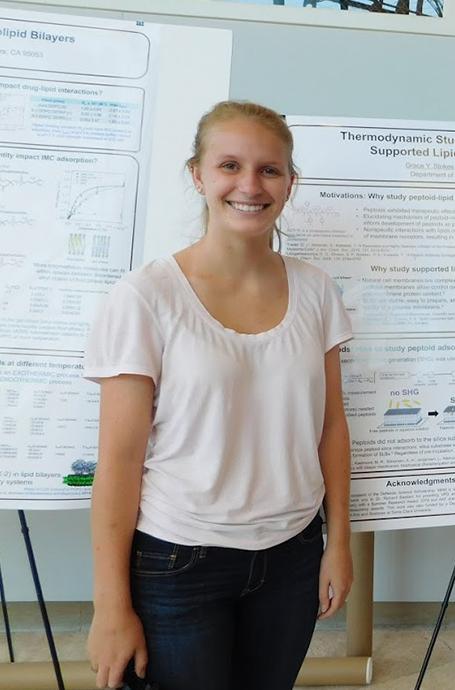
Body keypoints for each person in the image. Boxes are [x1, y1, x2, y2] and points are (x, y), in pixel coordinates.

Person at [83, 101, 354, 690]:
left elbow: (331, 427)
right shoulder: (145, 298)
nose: (250, 186)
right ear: (198, 175)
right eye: (230, 165)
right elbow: (120, 464)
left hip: (294, 552)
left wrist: (338, 544)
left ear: (290, 183)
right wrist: (110, 606)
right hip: (179, 560)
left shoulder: (316, 289)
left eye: (270, 170)